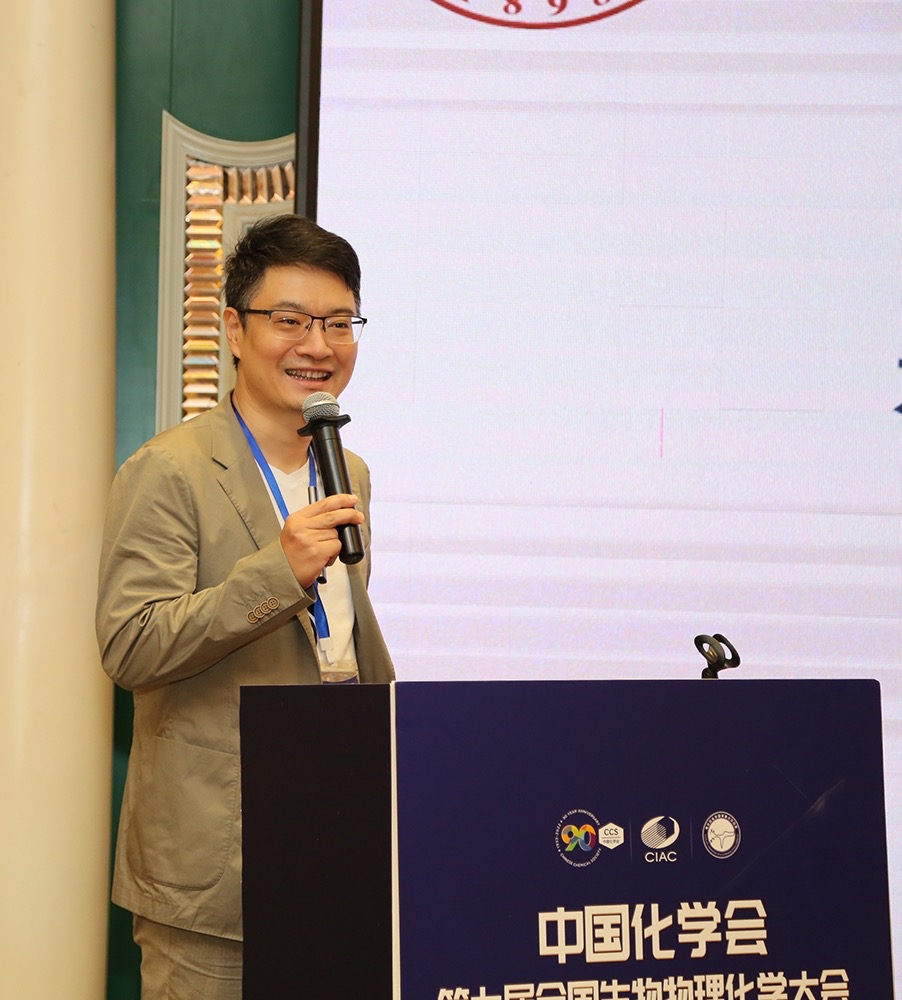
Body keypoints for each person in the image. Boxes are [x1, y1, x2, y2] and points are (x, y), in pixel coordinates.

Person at [96, 213, 395, 998]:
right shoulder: (171, 470)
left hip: (333, 846)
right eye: (290, 321)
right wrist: (276, 573)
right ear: (234, 329)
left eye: (339, 323)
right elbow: (131, 645)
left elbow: (337, 646)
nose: (318, 345)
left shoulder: (350, 469)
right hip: (215, 865)